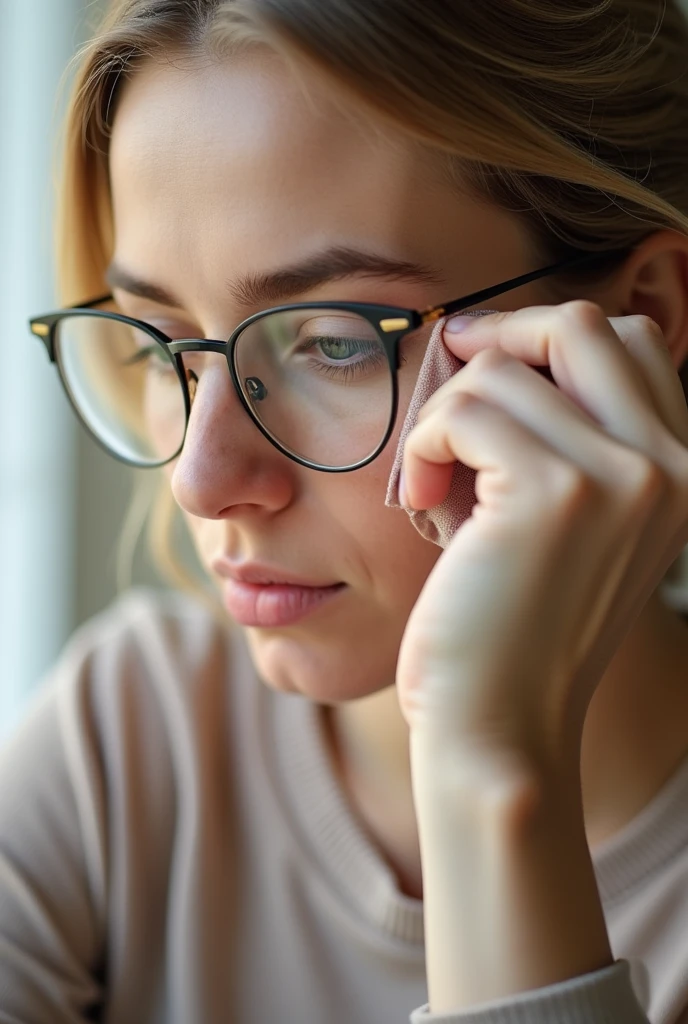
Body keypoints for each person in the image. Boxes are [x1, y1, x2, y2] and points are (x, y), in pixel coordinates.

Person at [2, 0, 688, 1020]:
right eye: (160, 342)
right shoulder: (128, 743)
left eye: (333, 342)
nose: (201, 478)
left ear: (642, 317)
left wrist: (489, 767)